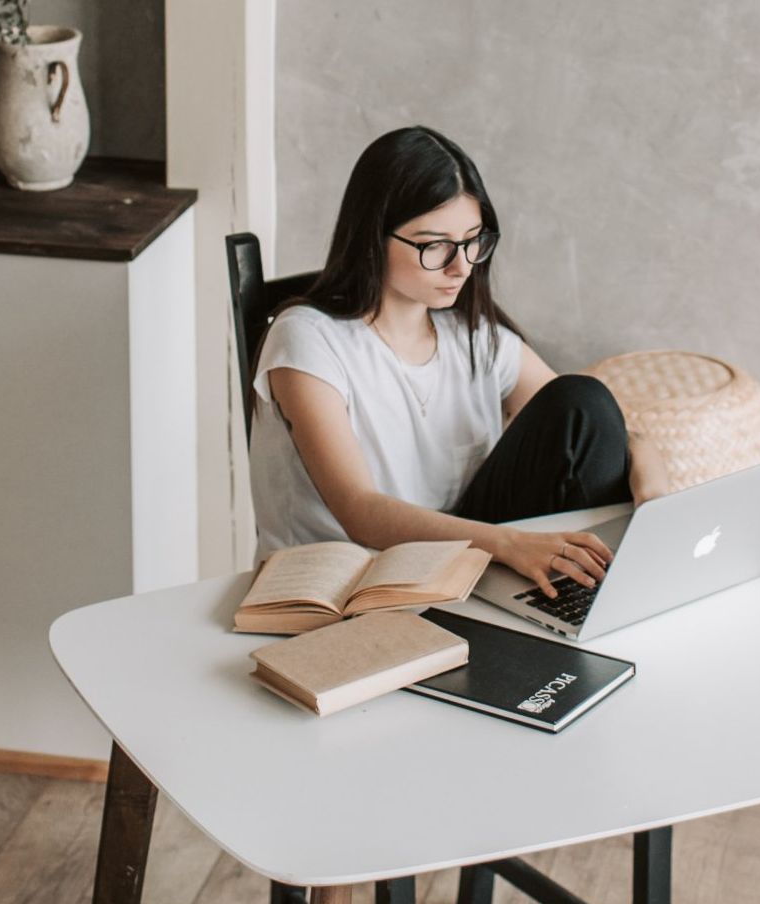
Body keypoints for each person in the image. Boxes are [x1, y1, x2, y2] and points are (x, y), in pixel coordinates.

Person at [249, 126, 669, 597]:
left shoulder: (472, 334)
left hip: (459, 564)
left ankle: (598, 601)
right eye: (435, 246)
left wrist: (652, 481)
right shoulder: (308, 340)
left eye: (473, 241)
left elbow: (591, 425)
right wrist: (510, 544)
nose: (462, 267)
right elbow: (358, 509)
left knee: (582, 399)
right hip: (345, 585)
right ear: (373, 236)